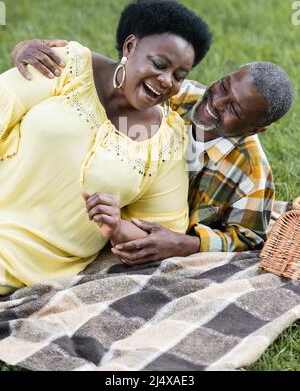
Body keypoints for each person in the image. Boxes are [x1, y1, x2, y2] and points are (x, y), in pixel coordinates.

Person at [12, 38, 293, 266]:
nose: (216, 102)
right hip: (91, 203)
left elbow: (248, 238)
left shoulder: (253, 175)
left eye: (233, 108)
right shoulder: (174, 96)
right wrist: (39, 51)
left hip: (144, 225)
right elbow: (110, 74)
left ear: (256, 129)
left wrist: (189, 244)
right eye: (223, 86)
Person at [0, 0, 212, 294]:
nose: (167, 81)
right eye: (160, 64)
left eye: (179, 75)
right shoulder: (64, 66)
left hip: (35, 265)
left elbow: (161, 236)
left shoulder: (167, 142)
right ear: (130, 47)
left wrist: (117, 227)